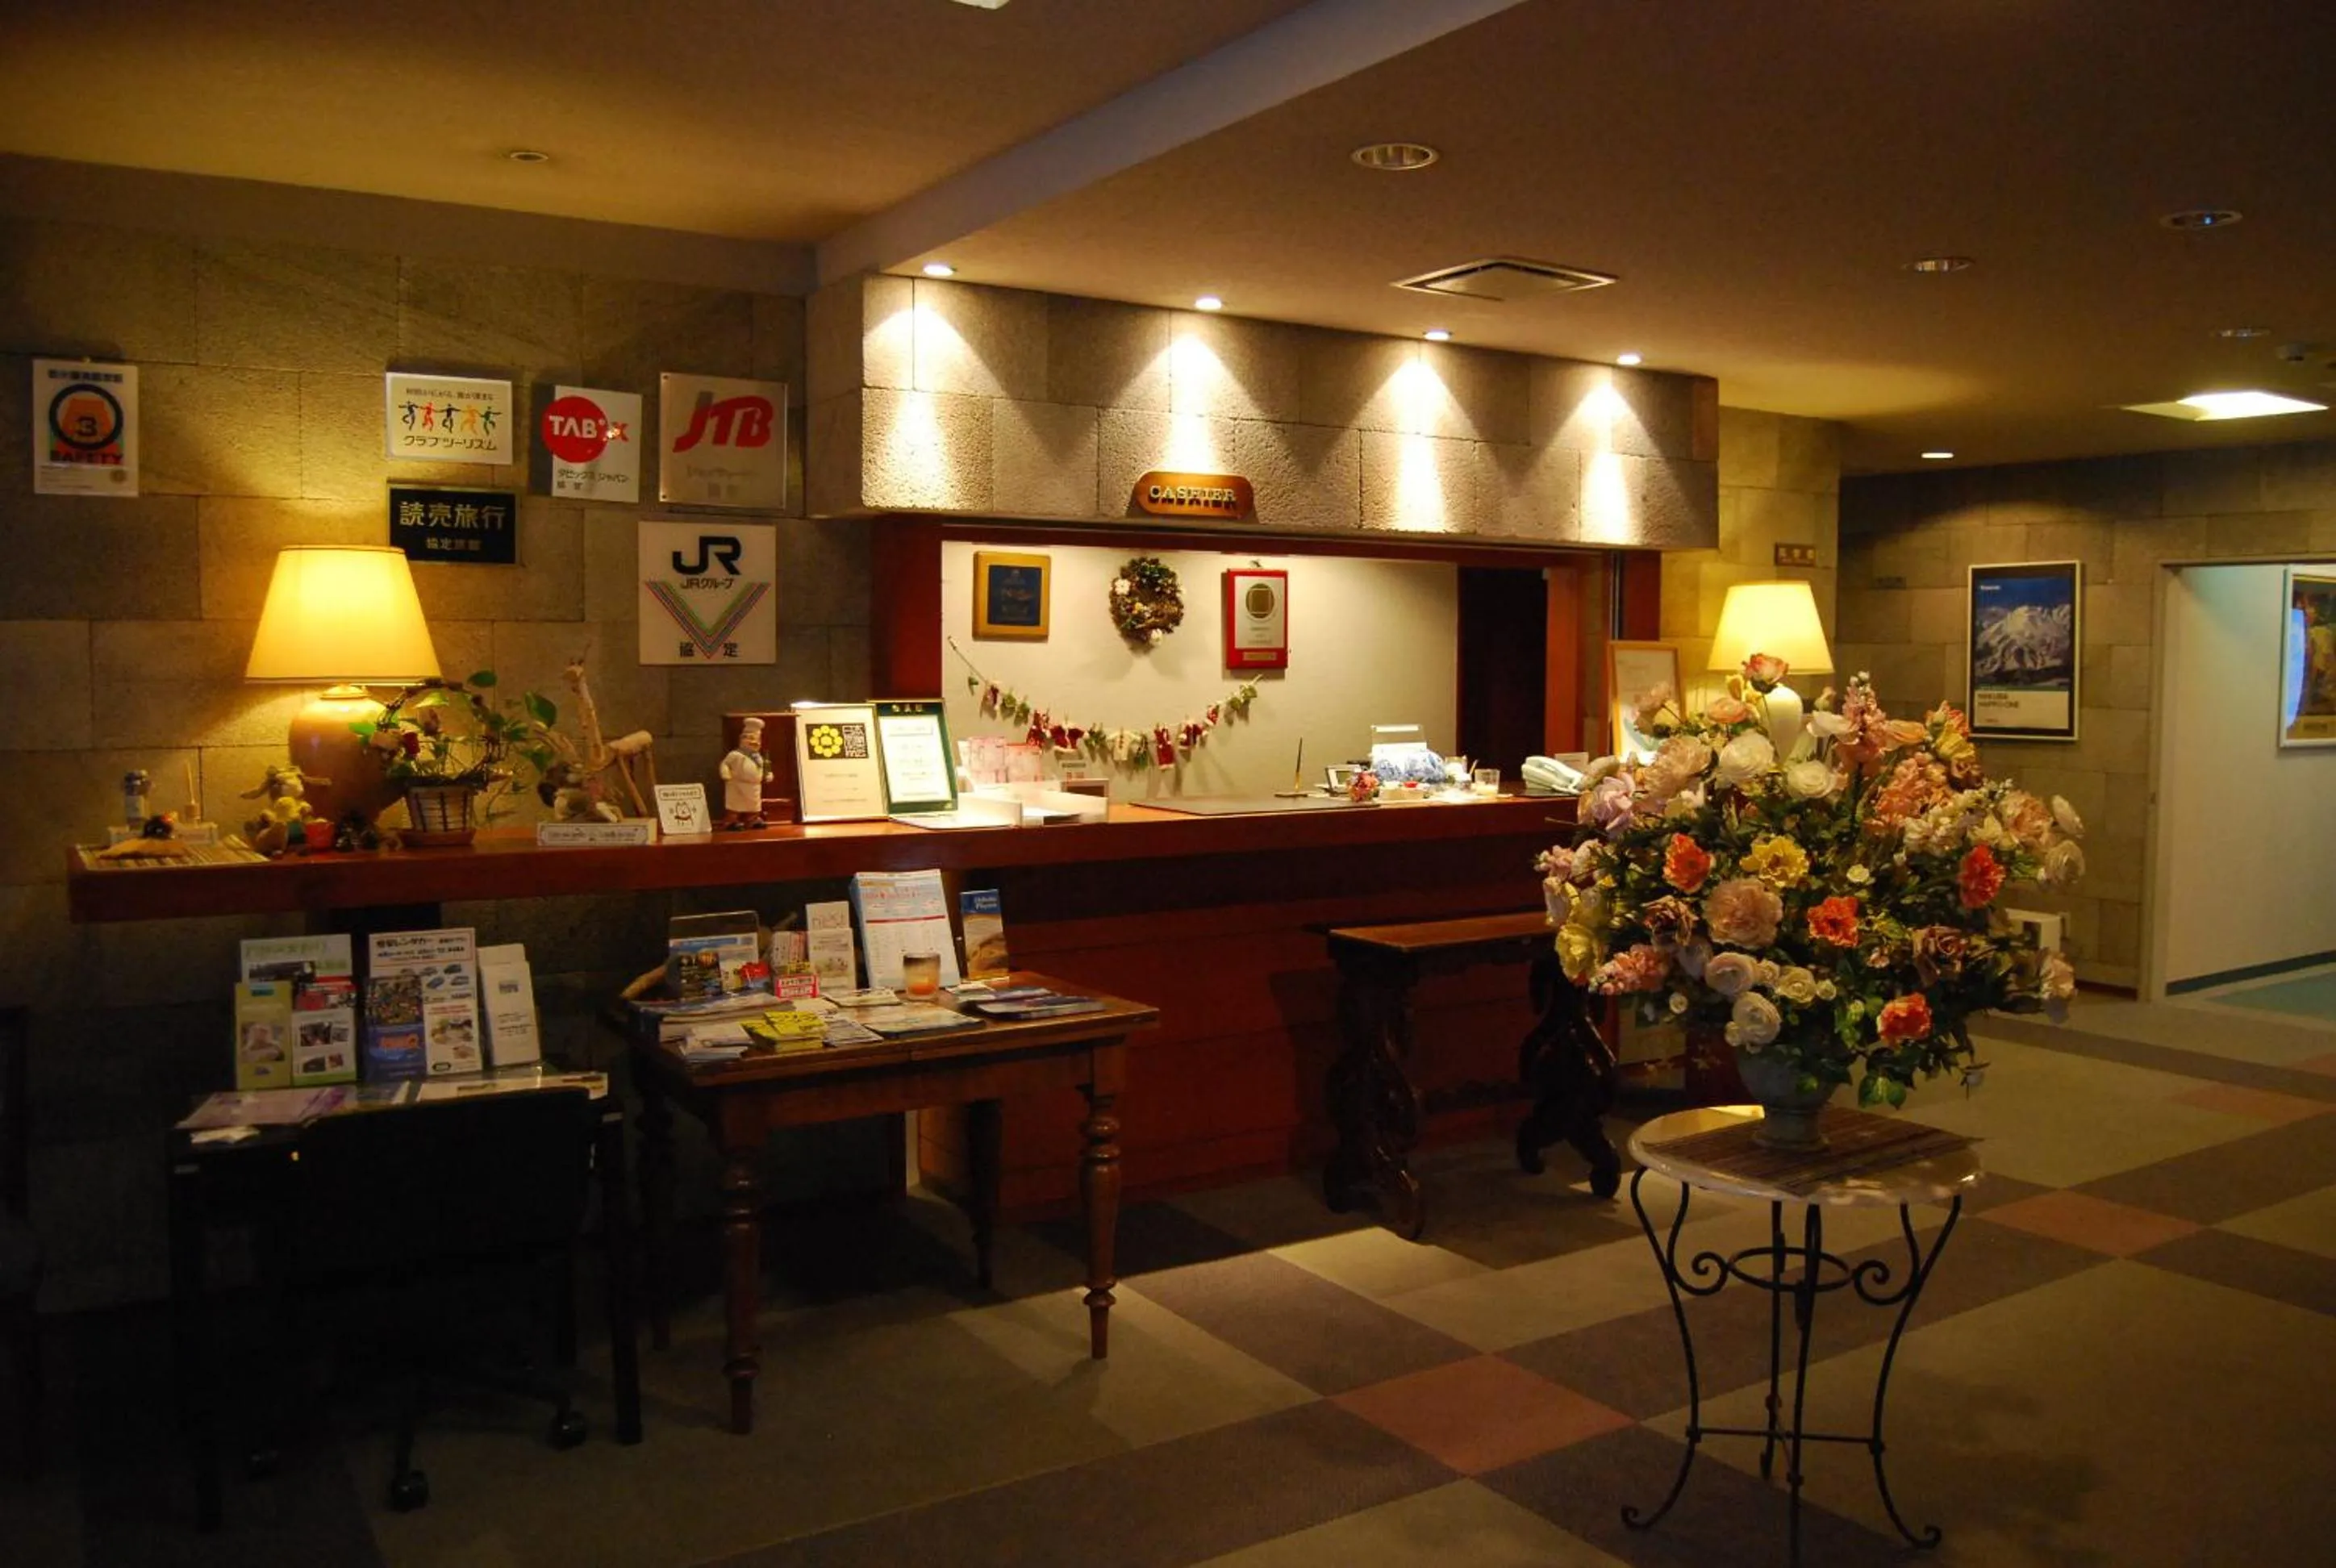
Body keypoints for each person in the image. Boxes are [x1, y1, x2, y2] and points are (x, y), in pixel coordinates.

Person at [720, 718, 768, 830]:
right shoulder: (735, 755)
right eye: (750, 739)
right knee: (735, 805)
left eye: (757, 740)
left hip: (754, 787)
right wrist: (725, 772)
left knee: (753, 806)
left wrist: (767, 775)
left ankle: (752, 820)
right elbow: (725, 764)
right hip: (737, 785)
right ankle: (731, 821)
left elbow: (764, 768)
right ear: (742, 739)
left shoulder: (758, 757)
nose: (754, 742)